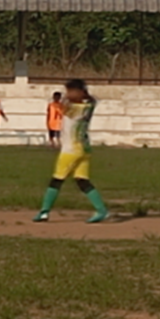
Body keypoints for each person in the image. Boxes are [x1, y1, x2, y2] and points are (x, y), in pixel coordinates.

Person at [34, 79, 109, 224]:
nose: (67, 94)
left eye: (70, 91)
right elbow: (91, 100)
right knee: (82, 180)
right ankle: (101, 210)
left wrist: (67, 97)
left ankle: (44, 211)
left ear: (79, 92)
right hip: (84, 148)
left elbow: (62, 106)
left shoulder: (75, 108)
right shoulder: (89, 106)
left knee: (57, 179)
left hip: (71, 149)